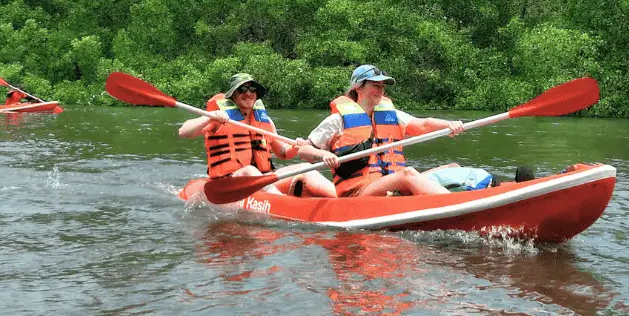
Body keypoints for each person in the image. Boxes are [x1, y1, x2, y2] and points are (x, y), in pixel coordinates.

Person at [297, 64, 466, 198]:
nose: (380, 91)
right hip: (359, 192)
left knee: (452, 168)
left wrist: (449, 125)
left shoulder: (390, 115)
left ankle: (460, 201)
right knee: (407, 174)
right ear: (358, 88)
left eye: (382, 86)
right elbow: (304, 150)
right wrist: (324, 155)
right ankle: (455, 204)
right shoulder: (337, 121)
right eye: (375, 85)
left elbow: (423, 125)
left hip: (390, 186)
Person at [179, 73, 337, 198]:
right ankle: (283, 203)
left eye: (252, 89)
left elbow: (282, 152)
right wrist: (209, 116)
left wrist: (296, 147)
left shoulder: (264, 120)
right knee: (250, 170)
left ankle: (341, 199)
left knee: (306, 169)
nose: (249, 93)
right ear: (233, 95)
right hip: (230, 183)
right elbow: (184, 132)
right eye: (243, 90)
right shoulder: (219, 119)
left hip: (263, 179)